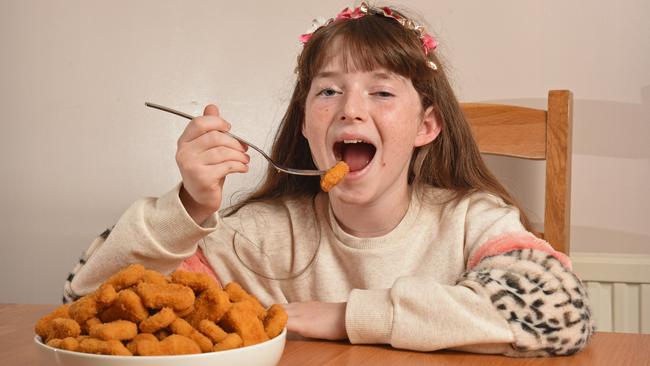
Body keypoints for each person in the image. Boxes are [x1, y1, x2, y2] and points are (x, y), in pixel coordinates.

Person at [63, 3, 593, 357]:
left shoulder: (471, 221)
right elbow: (87, 305)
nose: (351, 111)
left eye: (381, 93)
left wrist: (344, 316)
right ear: (305, 125)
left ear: (425, 125)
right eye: (328, 92)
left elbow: (562, 314)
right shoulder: (263, 236)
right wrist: (186, 209)